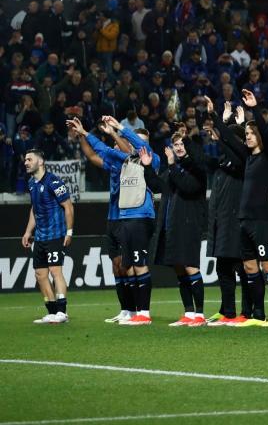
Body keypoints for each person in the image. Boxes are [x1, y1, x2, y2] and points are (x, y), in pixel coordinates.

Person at [71, 116, 160, 326]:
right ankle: (130, 311)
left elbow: (134, 148)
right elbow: (98, 150)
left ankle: (142, 312)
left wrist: (117, 130)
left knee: (136, 265)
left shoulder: (151, 160)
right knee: (124, 265)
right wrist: (84, 133)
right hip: (123, 217)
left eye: (139, 142)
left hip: (139, 217)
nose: (136, 145)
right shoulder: (123, 161)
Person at [212, 90, 268, 327]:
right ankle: (258, 315)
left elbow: (265, 131)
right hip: (244, 221)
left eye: (252, 133)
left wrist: (255, 108)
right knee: (249, 267)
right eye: (247, 133)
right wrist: (216, 116)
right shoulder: (248, 158)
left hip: (262, 220)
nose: (249, 136)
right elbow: (228, 139)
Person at [142, 133, 208, 327]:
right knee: (179, 268)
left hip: (189, 224)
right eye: (175, 144)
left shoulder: (196, 168)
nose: (178, 147)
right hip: (172, 225)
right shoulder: (174, 168)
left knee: (190, 266)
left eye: (181, 144)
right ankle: (188, 313)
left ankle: (200, 314)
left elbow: (187, 187)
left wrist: (171, 165)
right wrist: (147, 167)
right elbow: (156, 186)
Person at [73, 120, 136, 324]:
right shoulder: (113, 164)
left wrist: (109, 135)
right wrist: (80, 136)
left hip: (126, 218)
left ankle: (136, 310)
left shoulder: (131, 162)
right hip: (112, 219)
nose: (116, 147)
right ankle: (125, 309)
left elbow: (113, 149)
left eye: (119, 144)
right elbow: (91, 156)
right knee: (115, 265)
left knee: (126, 265)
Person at [198, 107, 251, 326]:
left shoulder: (242, 160)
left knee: (244, 269)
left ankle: (247, 312)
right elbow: (201, 159)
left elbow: (232, 147)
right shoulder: (223, 161)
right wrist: (189, 139)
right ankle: (227, 310)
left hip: (236, 223)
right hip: (221, 223)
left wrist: (220, 129)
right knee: (223, 268)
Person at [21, 149, 73, 324]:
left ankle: (62, 312)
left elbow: (68, 206)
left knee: (55, 271)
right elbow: (34, 209)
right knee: (40, 274)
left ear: (40, 161)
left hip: (55, 234)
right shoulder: (31, 183)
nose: (26, 162)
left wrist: (69, 231)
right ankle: (51, 312)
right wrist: (28, 232)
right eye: (25, 160)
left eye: (30, 159)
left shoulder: (54, 181)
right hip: (40, 236)